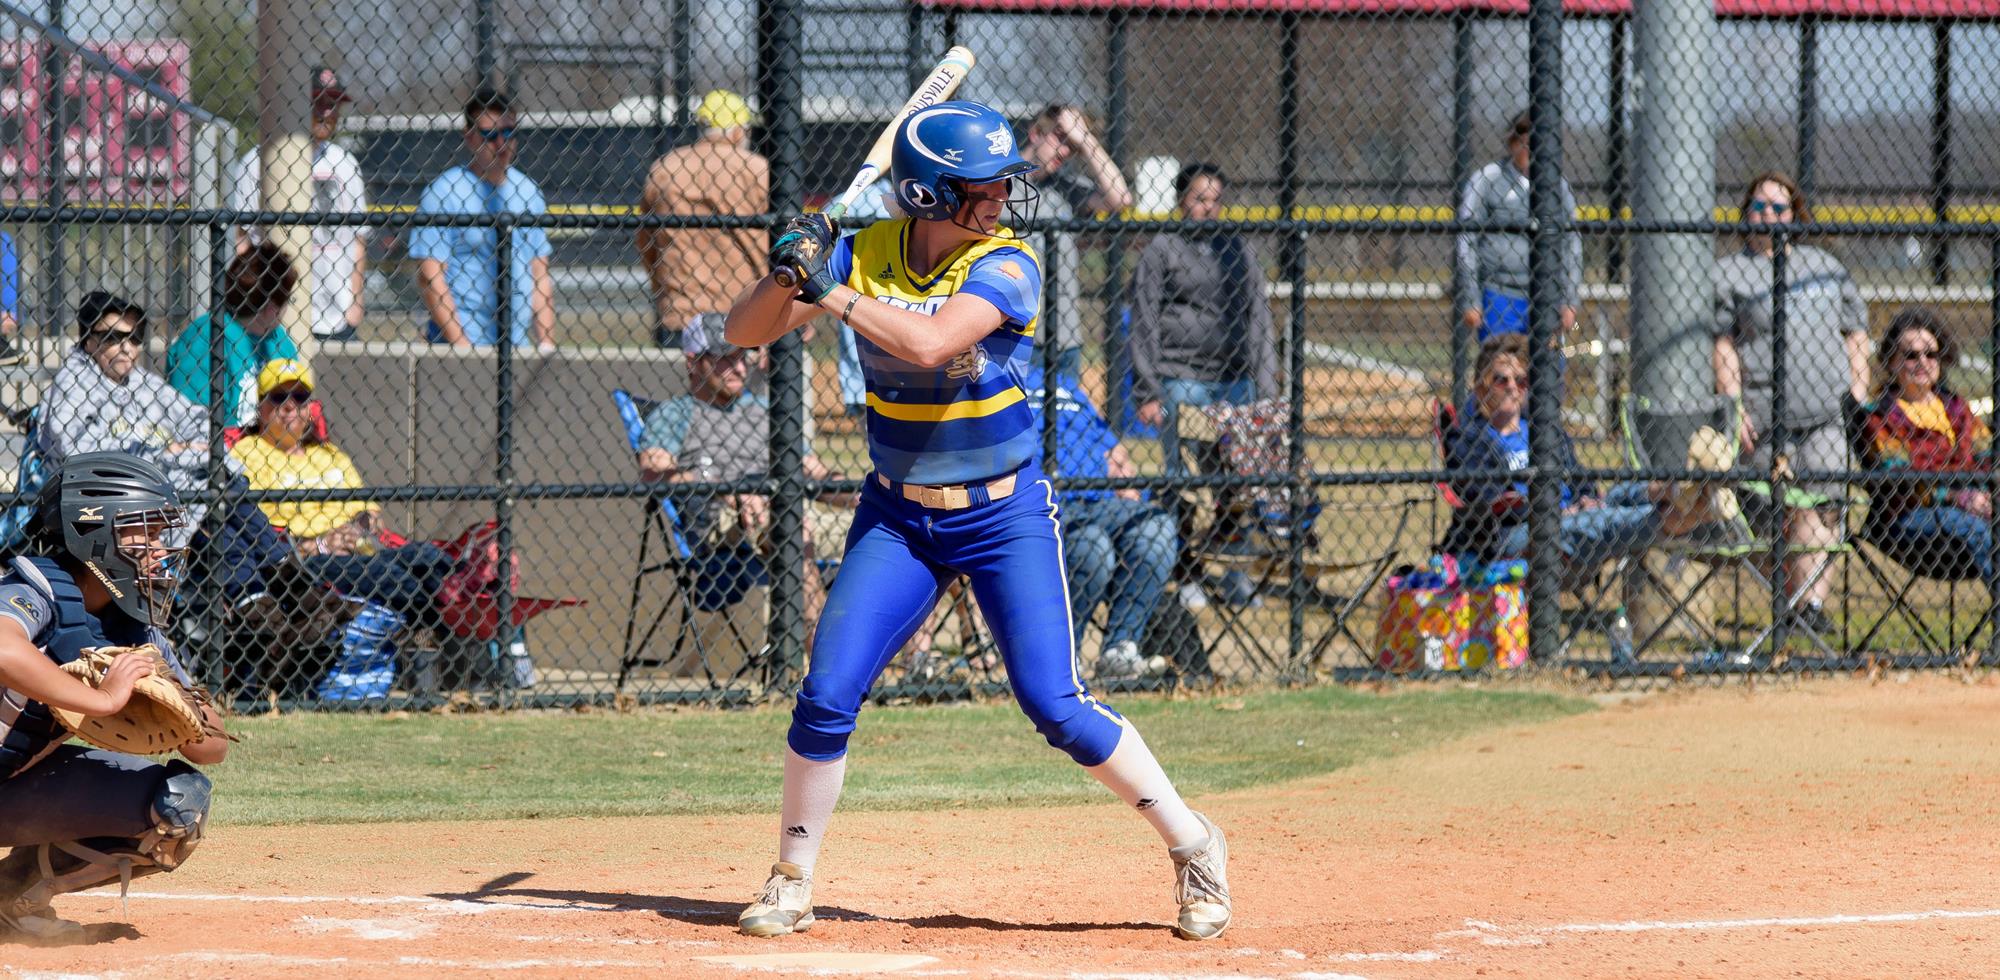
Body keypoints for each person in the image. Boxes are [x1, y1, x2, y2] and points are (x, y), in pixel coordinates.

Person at [723, 99, 1230, 941]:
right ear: (926, 196)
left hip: (1003, 515)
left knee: (1055, 704)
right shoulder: (862, 253)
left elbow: (928, 344)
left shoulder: (1008, 264)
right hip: (899, 517)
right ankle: (791, 876)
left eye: (1002, 184)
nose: (1001, 198)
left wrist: (832, 291)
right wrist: (785, 272)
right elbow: (746, 333)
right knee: (825, 691)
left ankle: (1194, 842)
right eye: (982, 187)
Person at [0, 452, 228, 939]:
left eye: (160, 533)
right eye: (141, 531)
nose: (157, 548)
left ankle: (7, 899)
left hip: (11, 789)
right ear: (94, 534)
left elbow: (214, 747)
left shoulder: (136, 626)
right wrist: (103, 700)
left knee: (178, 803)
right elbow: (2, 648)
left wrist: (181, 707)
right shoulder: (35, 588)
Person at [1713, 170, 1867, 636]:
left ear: (1794, 214)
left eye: (1779, 208)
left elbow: (1856, 332)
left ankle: (1809, 611)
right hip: (1766, 418)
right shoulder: (1729, 273)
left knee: (1825, 504)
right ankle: (1795, 603)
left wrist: (1856, 394)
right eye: (1759, 207)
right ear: (1746, 214)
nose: (1769, 216)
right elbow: (1723, 345)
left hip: (1826, 416)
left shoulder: (1823, 266)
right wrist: (1733, 407)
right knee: (1772, 512)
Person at [634, 314, 844, 625]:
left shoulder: (764, 411)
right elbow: (652, 468)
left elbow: (813, 472)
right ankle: (831, 665)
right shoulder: (677, 413)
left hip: (788, 510)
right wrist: (725, 489)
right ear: (692, 361)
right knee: (789, 527)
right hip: (722, 523)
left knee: (903, 525)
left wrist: (858, 495)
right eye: (724, 359)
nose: (739, 367)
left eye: (742, 356)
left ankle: (917, 660)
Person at [228, 359, 457, 625]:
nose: (291, 406)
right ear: (262, 406)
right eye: (280, 397)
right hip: (306, 562)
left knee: (426, 556)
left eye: (300, 397)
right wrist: (323, 544)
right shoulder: (248, 453)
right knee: (393, 575)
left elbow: (369, 512)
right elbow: (261, 535)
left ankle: (458, 595)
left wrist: (355, 531)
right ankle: (450, 617)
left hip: (357, 548)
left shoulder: (329, 453)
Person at [1441, 335, 1663, 577]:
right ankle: (1673, 517)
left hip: (1572, 516)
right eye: (1501, 380)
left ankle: (1675, 495)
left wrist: (1585, 498)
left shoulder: (1545, 430)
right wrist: (1555, 513)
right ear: (1482, 384)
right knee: (1605, 520)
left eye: (1521, 380)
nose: (1513, 387)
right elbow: (1491, 502)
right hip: (1520, 532)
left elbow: (1578, 477)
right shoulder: (1470, 437)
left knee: (1628, 493)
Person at [1024, 365, 1176, 680]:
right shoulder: (996, 381)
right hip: (1045, 506)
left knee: (1155, 527)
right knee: (1092, 545)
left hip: (1101, 499)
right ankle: (1065, 656)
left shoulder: (1065, 384)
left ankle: (1119, 650)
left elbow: (1113, 450)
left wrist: (1129, 485)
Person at [1131, 163, 1277, 471]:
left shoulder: (1238, 248)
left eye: (1215, 200)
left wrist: (1266, 389)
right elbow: (1144, 321)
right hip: (1182, 377)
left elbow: (1259, 317)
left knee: (1239, 472)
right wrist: (1147, 392)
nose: (1209, 207)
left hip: (1235, 380)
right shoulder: (1162, 248)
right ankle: (1181, 515)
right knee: (1186, 475)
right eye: (1200, 199)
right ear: (1181, 201)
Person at [225, 66, 368, 343]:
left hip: (335, 317)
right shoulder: (258, 161)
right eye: (319, 103)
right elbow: (242, 240)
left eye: (333, 104)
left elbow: (358, 239)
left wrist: (355, 303)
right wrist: (250, 302)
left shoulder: (345, 164)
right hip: (271, 315)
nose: (327, 112)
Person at [1858, 307, 1995, 592]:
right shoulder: (1882, 416)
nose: (1923, 362)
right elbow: (1899, 478)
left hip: (1973, 508)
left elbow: (1985, 457)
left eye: (1930, 354)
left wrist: (1983, 493)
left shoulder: (1958, 408)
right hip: (1910, 517)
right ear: (1892, 362)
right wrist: (1957, 496)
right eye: (1910, 355)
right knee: (1979, 531)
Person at [411, 87, 556, 351]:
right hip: (457, 345)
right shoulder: (444, 192)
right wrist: (463, 348)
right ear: (470, 138)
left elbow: (540, 274)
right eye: (490, 135)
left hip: (515, 347)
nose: (501, 143)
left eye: (509, 132)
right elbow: (430, 276)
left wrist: (546, 344)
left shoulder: (528, 191)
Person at [638, 90, 769, 351]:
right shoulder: (758, 169)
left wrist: (663, 291)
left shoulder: (665, 168)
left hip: (683, 310)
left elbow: (645, 242)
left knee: (679, 388)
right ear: (736, 132)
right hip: (746, 309)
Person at [1018, 104, 1134, 380]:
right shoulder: (999, 182)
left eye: (1072, 145)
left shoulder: (1067, 187)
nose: (1066, 151)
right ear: (1036, 134)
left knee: (1065, 417)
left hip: (1064, 336)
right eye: (1060, 138)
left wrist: (1087, 142)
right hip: (1015, 335)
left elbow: (1120, 199)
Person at [1455, 110, 1581, 348]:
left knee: (1549, 369)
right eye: (1522, 141)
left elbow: (1571, 243)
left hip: (1546, 297)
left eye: (1535, 142)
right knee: (1501, 366)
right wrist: (1471, 299)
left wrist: (1569, 300)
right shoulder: (1488, 178)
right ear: (1512, 142)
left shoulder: (1558, 185)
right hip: (1498, 294)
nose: (1528, 148)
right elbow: (1466, 239)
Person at [165, 242, 302, 426]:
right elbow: (190, 422)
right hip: (224, 450)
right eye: (288, 300)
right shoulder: (207, 337)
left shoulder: (280, 341)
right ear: (271, 307)